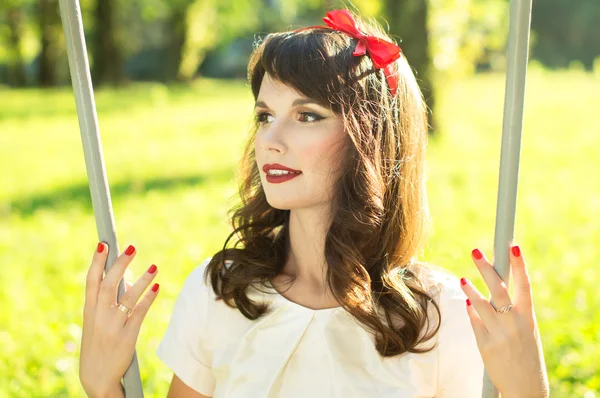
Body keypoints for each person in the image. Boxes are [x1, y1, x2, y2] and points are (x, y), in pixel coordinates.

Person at [79, 8, 549, 398]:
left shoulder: (439, 315)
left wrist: (528, 390)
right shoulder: (220, 293)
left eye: (306, 115)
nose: (271, 141)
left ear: (369, 140)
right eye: (265, 116)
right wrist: (103, 386)